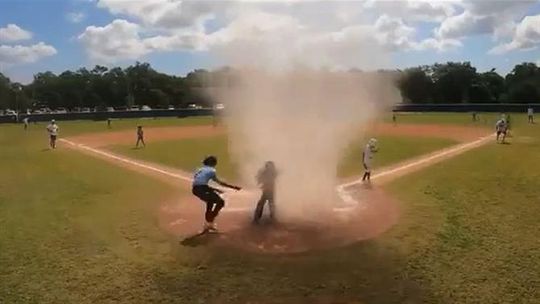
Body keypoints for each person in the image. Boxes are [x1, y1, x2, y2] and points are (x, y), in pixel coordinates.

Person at [192, 156, 241, 233]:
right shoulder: (212, 170)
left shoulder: (199, 169)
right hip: (201, 189)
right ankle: (210, 220)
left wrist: (213, 189)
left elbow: (198, 182)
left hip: (196, 189)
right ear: (212, 163)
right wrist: (233, 187)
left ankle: (208, 223)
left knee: (210, 202)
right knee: (221, 202)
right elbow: (220, 183)